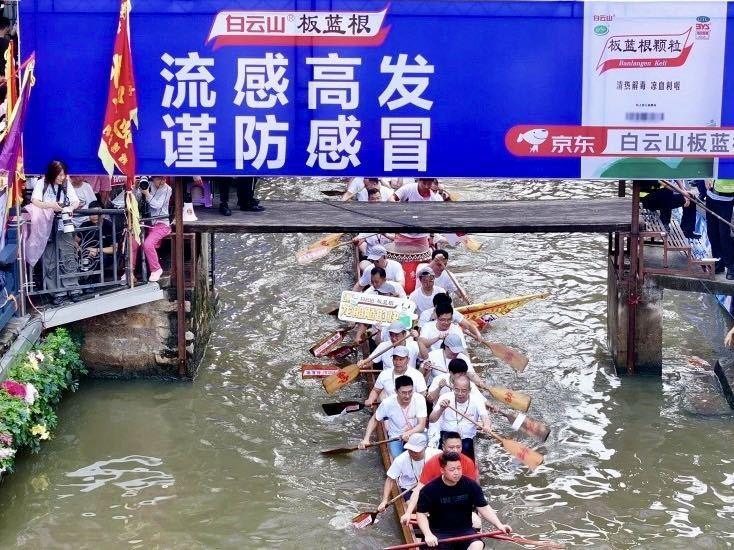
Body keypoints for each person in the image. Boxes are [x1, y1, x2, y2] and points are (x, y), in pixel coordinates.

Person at [415, 452, 512, 549]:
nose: (456, 472)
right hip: (439, 533)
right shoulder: (429, 490)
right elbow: (421, 514)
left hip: (465, 531)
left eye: (459, 468)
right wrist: (428, 534)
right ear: (442, 470)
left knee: (478, 545)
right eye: (452, 469)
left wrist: (499, 525)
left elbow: (483, 507)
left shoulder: (471, 485)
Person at [31, 160, 82, 305]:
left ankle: (73, 289)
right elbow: (35, 201)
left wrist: (70, 208)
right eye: (59, 175)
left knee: (68, 256)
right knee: (50, 260)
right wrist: (50, 205)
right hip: (46, 226)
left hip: (63, 225)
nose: (62, 177)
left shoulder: (66, 183)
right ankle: (57, 292)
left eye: (63, 174)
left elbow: (76, 201)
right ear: (52, 173)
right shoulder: (42, 183)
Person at [401, 431, 479, 525]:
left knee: (476, 522)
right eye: (451, 447)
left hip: (459, 502)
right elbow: (419, 489)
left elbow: (471, 491)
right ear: (443, 447)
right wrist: (408, 513)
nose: (455, 451)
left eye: (458, 447)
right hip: (437, 502)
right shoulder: (432, 463)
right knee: (414, 507)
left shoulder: (468, 463)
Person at [360, 375, 427, 458]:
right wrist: (366, 439)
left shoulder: (419, 399)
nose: (407, 396)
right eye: (404, 392)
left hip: (417, 433)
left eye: (410, 392)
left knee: (421, 455)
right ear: (396, 391)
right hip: (396, 436)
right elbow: (375, 419)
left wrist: (409, 433)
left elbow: (421, 426)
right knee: (397, 457)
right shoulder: (387, 403)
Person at [429, 375, 491, 461]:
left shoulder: (477, 400)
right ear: (453, 388)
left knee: (466, 449)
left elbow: (485, 417)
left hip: (466, 438)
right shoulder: (445, 397)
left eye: (464, 390)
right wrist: (441, 409)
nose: (460, 393)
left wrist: (486, 425)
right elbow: (432, 420)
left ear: (469, 390)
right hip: (447, 436)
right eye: (457, 390)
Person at [378, 433, 441, 511]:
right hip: (409, 487)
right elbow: (390, 480)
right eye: (410, 451)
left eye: (416, 451)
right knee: (414, 507)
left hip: (429, 485)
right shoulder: (400, 460)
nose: (412, 454)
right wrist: (384, 501)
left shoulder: (437, 454)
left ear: (425, 448)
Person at [127, 176, 172, 283]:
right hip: (145, 222)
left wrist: (147, 193)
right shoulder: (146, 184)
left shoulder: (167, 188)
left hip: (161, 223)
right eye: (159, 179)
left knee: (148, 244)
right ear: (153, 178)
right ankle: (130, 272)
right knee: (133, 242)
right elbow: (135, 203)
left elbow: (158, 205)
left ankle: (156, 269)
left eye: (164, 179)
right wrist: (136, 188)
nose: (162, 181)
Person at [78, 200, 117, 284]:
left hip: (104, 254)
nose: (94, 216)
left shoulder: (109, 226)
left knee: (99, 258)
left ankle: (91, 283)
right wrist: (81, 249)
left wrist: (97, 250)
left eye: (97, 213)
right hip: (85, 253)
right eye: (91, 214)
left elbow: (114, 249)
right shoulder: (84, 225)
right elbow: (75, 241)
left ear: (103, 213)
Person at [705, 178, 734, 278]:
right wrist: (706, 178)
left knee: (725, 234)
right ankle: (718, 262)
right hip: (711, 195)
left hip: (727, 199)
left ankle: (731, 266)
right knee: (712, 232)